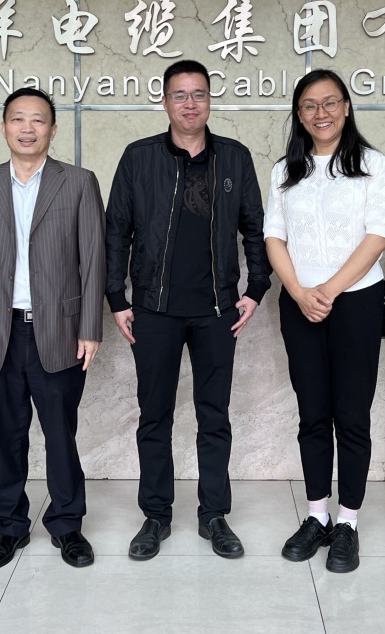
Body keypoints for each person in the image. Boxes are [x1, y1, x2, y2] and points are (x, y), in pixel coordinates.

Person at [105, 59, 271, 561]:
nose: (190, 103)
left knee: (213, 416)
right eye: (180, 95)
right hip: (154, 309)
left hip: (217, 310)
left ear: (209, 101)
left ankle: (213, 515)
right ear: (165, 102)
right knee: (153, 416)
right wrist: (117, 298)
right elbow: (117, 230)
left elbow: (255, 228)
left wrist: (256, 288)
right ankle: (156, 515)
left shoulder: (234, 158)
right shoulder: (139, 157)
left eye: (199, 94)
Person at [0, 87, 104, 571]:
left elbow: (93, 260)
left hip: (59, 330)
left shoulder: (78, 182)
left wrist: (90, 328)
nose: (27, 128)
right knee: (7, 433)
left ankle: (67, 525)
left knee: (60, 433)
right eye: (17, 118)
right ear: (3, 127)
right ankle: (9, 527)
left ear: (53, 130)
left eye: (38, 120)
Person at [264, 69, 385, 573]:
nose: (321, 113)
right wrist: (300, 293)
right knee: (313, 413)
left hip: (355, 303)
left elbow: (377, 236)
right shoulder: (285, 171)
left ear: (346, 107)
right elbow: (273, 236)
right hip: (299, 306)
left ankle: (348, 523)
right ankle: (317, 515)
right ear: (299, 115)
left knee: (352, 415)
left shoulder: (373, 165)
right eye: (309, 105)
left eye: (330, 102)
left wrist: (329, 290)